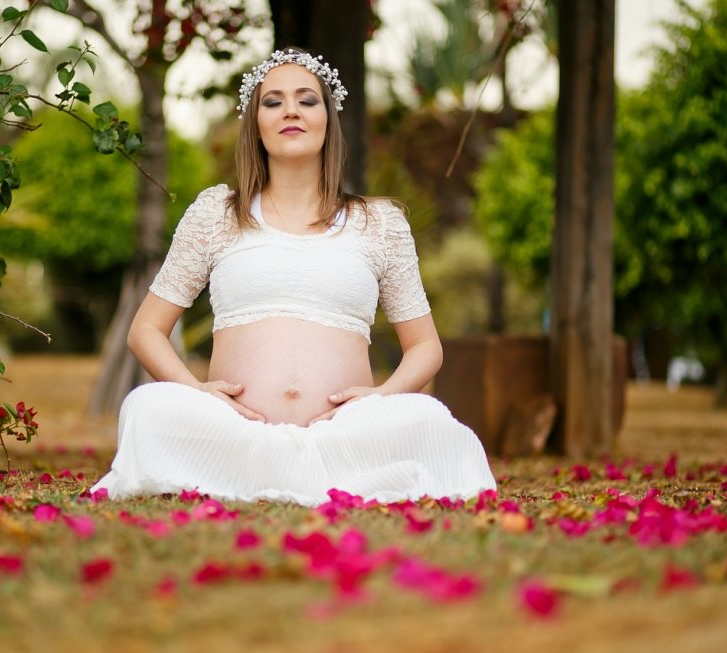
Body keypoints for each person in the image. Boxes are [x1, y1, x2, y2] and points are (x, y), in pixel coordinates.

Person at [91, 48, 496, 506]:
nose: (290, 111)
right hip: (237, 438)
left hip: (345, 439)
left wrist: (381, 397)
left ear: (328, 117)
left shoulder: (379, 223)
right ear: (256, 123)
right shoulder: (216, 214)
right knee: (147, 407)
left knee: (427, 416)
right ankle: (245, 470)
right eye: (273, 101)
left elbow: (425, 346)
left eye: (307, 100)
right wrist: (199, 394)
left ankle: (321, 472)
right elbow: (146, 330)